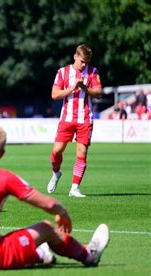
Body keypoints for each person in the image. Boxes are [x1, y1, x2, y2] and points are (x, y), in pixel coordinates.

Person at [0, 126, 110, 271]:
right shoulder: (3, 177)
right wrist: (62, 211)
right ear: (2, 153)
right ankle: (89, 255)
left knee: (1, 236)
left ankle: (41, 255)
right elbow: (47, 204)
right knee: (46, 228)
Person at [47, 44, 102, 197]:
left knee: (82, 152)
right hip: (67, 118)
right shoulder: (63, 72)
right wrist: (72, 88)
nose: (84, 65)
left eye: (87, 62)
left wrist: (84, 87)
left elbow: (98, 93)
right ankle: (56, 174)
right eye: (82, 61)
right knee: (57, 151)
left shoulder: (93, 72)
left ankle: (74, 188)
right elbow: (54, 94)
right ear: (75, 56)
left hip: (85, 118)